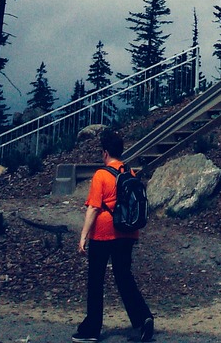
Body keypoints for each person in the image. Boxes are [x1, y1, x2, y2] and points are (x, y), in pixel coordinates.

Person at [72, 128, 153, 343]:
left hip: (104, 233)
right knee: (124, 276)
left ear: (105, 152)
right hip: (128, 232)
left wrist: (83, 235)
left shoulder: (101, 175)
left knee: (96, 280)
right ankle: (143, 318)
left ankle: (91, 329)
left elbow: (93, 208)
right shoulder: (130, 173)